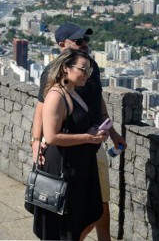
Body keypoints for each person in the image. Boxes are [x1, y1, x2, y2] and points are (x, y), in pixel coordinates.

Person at [31, 22, 127, 241]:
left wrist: (113, 133)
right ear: (62, 45)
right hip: (71, 149)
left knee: (99, 204)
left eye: (86, 40)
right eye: (79, 41)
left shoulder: (89, 69)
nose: (85, 45)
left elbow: (98, 103)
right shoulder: (53, 75)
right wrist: (36, 141)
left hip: (93, 144)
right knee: (77, 208)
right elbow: (41, 110)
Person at [33, 48, 106, 240]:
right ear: (66, 68)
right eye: (83, 69)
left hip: (79, 164)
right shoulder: (57, 95)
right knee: (63, 225)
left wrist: (98, 133)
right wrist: (88, 138)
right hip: (63, 167)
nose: (87, 75)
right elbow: (51, 136)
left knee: (84, 218)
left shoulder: (74, 92)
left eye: (89, 70)